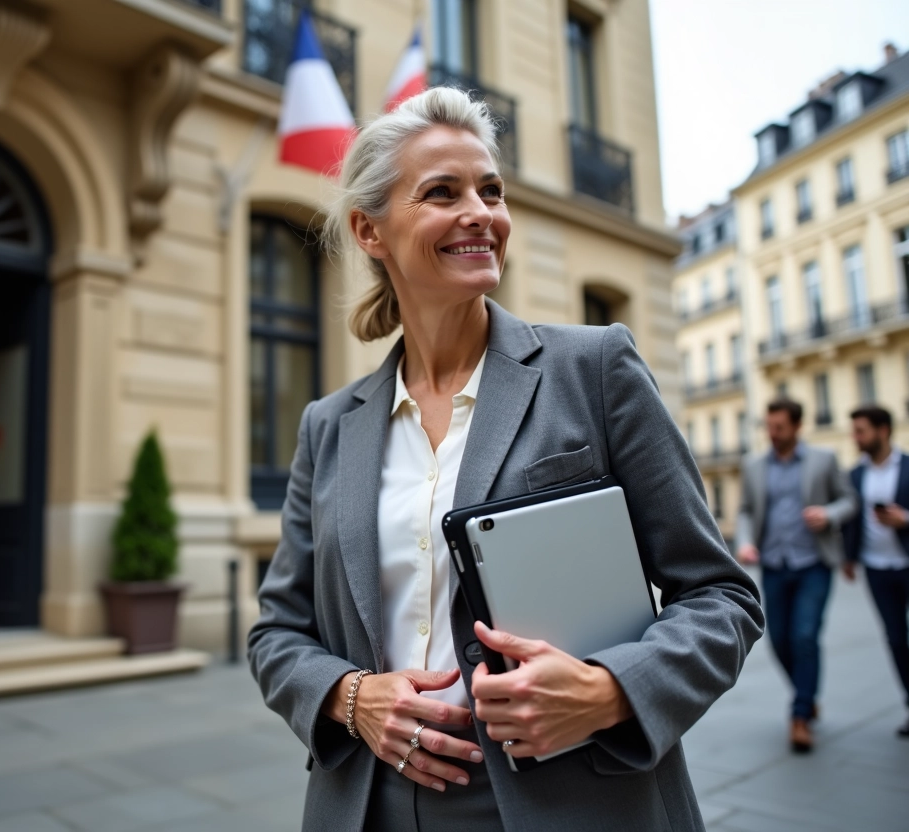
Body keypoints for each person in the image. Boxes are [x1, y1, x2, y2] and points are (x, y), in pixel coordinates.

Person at [247, 87, 763, 832]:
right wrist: (351, 698)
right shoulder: (329, 427)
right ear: (370, 230)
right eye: (442, 192)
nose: (481, 213)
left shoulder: (595, 369)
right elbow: (276, 632)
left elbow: (723, 599)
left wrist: (610, 689)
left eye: (491, 189)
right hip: (370, 804)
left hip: (578, 800)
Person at [735, 398, 857, 753]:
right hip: (773, 564)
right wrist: (744, 543)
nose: (772, 434)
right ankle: (807, 693)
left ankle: (800, 715)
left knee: (805, 636)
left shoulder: (824, 459)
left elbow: (849, 499)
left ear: (797, 426)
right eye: (769, 427)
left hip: (813, 564)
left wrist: (829, 514)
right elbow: (744, 510)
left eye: (780, 427)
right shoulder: (753, 465)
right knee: (779, 642)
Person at [843, 405, 909, 737]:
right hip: (877, 570)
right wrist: (848, 557)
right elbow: (851, 519)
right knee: (897, 639)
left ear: (883, 430)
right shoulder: (855, 474)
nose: (855, 437)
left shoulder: (908, 466)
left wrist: (905, 519)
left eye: (861, 430)